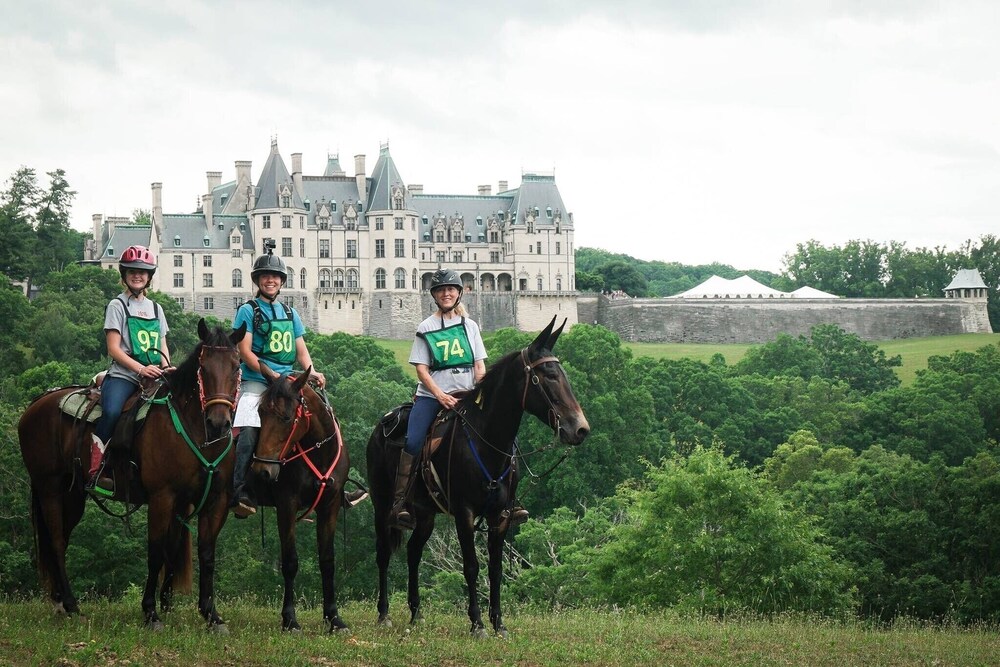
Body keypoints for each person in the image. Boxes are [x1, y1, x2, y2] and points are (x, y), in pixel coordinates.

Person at [393, 268, 528, 529]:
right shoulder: (426, 327)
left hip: (467, 396)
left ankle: (510, 501)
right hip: (434, 396)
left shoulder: (470, 326)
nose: (446, 293)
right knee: (414, 440)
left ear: (458, 293)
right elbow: (421, 369)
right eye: (441, 290)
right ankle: (401, 502)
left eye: (450, 289)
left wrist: (483, 391)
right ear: (434, 295)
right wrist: (440, 395)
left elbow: (480, 366)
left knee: (505, 435)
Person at [230, 246, 326, 517]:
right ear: (258, 281)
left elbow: (301, 350)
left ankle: (319, 487)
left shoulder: (289, 312)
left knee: (321, 415)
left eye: (274, 277)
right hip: (257, 381)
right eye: (265, 277)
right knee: (249, 428)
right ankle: (240, 490)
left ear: (282, 281)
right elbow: (244, 351)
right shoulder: (248, 310)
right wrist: (268, 374)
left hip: (288, 381)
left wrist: (312, 371)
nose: (270, 280)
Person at [87, 245, 171, 496]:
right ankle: (96, 468)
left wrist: (167, 368)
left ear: (149, 277)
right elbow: (114, 348)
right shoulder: (117, 305)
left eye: (143, 272)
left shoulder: (157, 308)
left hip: (154, 376)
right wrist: (140, 369)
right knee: (112, 412)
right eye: (133, 271)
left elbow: (162, 344)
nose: (138, 276)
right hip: (124, 376)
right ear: (124, 274)